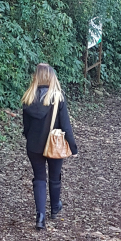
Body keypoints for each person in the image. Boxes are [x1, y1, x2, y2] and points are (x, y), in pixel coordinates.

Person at [22, 63, 78, 230]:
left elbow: (26, 127)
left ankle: (40, 217)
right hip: (55, 145)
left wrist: (30, 137)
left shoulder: (28, 98)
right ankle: (54, 208)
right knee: (55, 176)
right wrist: (73, 148)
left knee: (39, 178)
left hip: (34, 145)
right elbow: (66, 127)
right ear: (52, 78)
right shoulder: (57, 98)